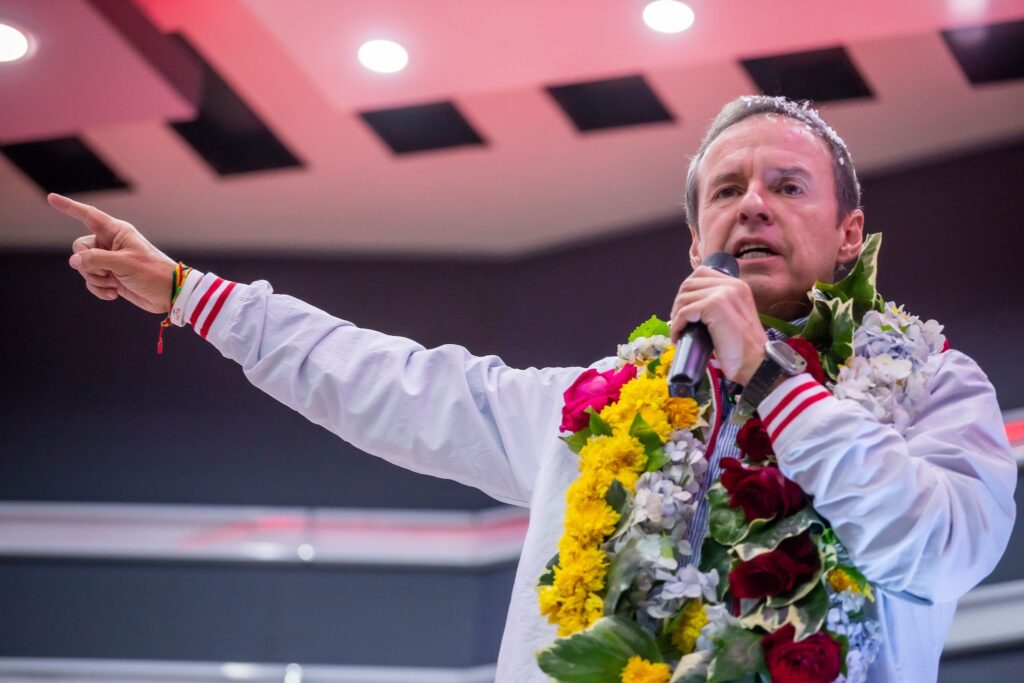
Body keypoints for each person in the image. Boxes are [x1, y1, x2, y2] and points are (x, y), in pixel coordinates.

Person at [52, 96, 1016, 682]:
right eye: (726, 191)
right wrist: (191, 295)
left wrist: (769, 376)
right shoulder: (607, 408)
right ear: (695, 245)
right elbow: (394, 384)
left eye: (787, 185)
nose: (751, 204)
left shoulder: (929, 387)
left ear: (851, 236)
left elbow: (935, 545)